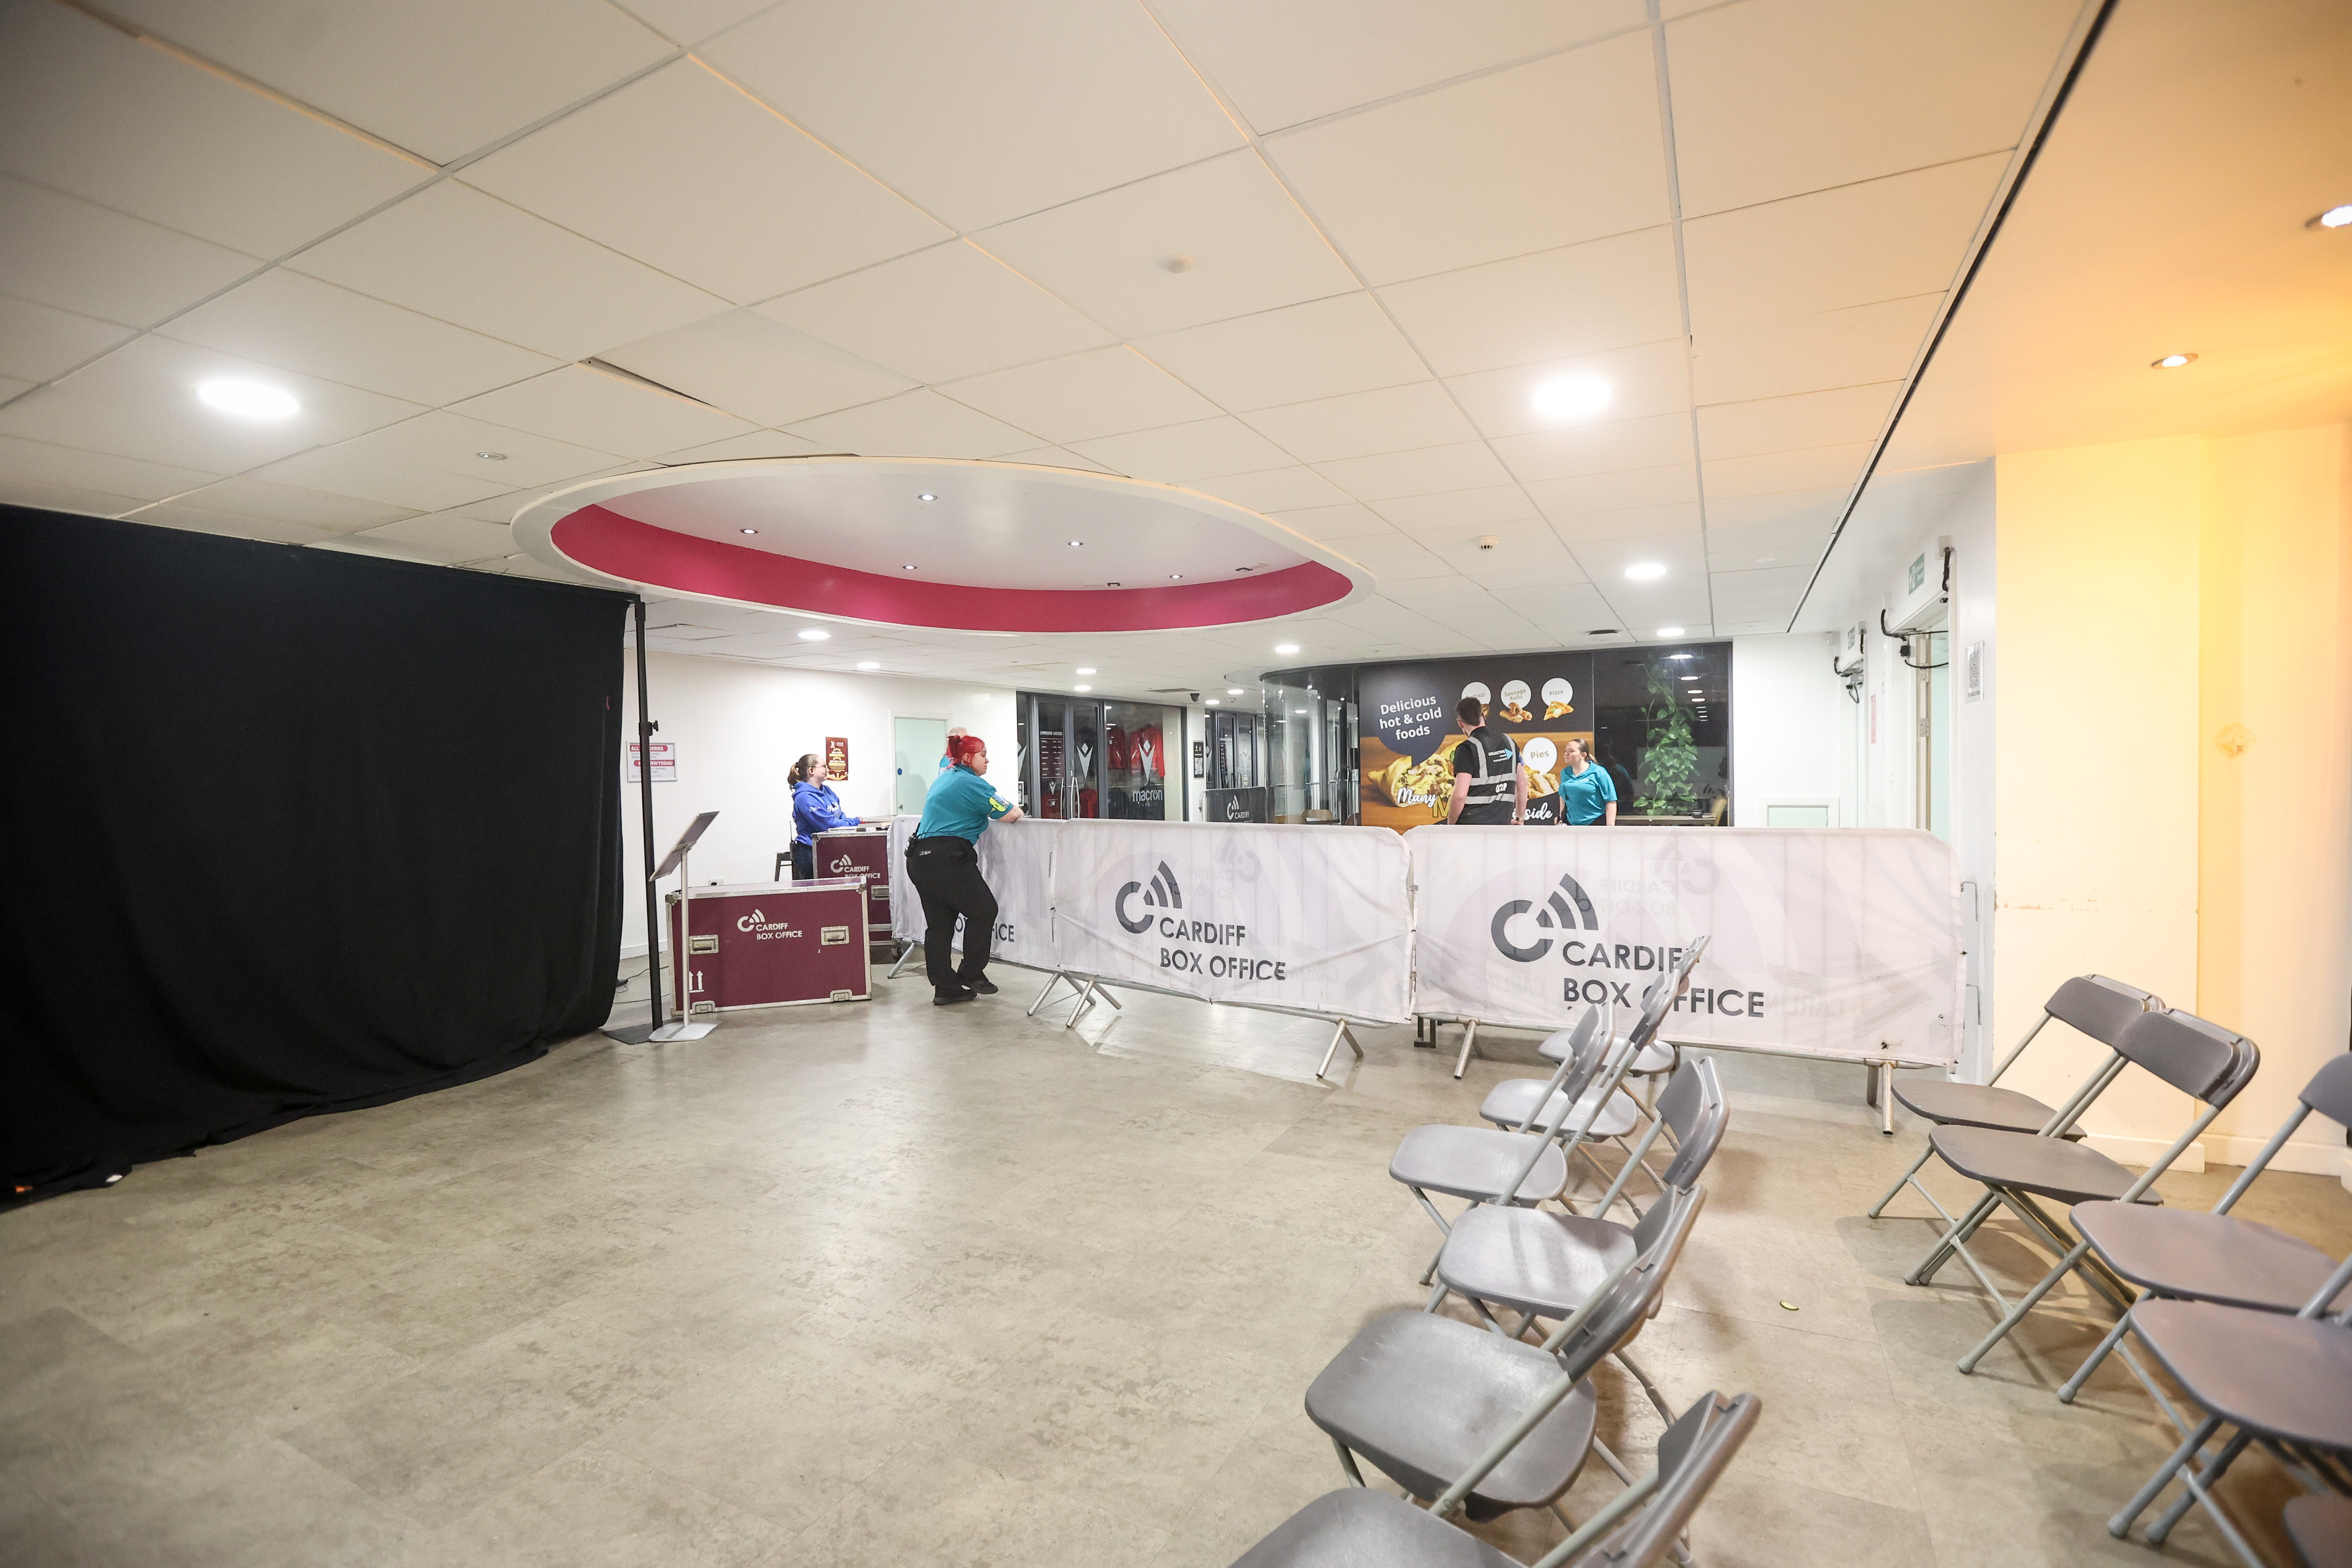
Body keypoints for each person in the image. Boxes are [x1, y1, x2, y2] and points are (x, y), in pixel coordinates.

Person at [906, 734, 1024, 1005]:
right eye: (983, 755)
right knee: (984, 910)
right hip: (947, 857)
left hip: (920, 858)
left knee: (939, 925)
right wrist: (1017, 809)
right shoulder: (973, 784)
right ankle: (971, 972)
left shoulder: (946, 777)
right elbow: (1010, 814)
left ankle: (946, 988)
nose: (988, 760)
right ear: (969, 758)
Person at [1445, 695, 1526, 825]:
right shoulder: (1510, 743)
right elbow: (1522, 784)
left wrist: (1451, 826)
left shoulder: (1467, 748)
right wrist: (1520, 818)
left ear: (1460, 723)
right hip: (1502, 824)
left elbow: (1460, 795)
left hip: (1472, 827)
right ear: (1483, 715)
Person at [789, 752, 860, 879]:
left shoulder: (826, 790)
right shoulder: (804, 797)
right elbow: (828, 825)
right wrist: (855, 822)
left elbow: (840, 816)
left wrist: (851, 823)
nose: (828, 770)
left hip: (829, 849)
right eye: (824, 766)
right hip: (811, 853)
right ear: (811, 771)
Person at [1557, 736, 1617, 827]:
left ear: (1583, 755)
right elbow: (1563, 796)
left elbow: (1611, 801)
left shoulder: (1599, 772)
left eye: (1571, 751)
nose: (1566, 754)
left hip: (1595, 823)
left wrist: (1610, 829)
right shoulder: (1565, 773)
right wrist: (1561, 817)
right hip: (1571, 824)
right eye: (1566, 751)